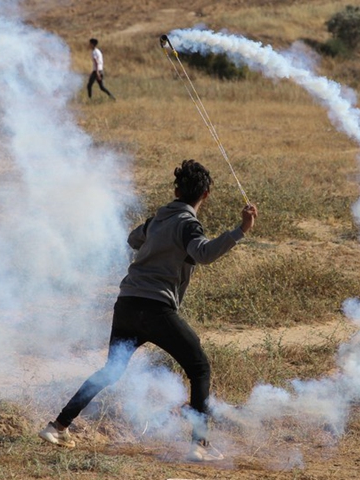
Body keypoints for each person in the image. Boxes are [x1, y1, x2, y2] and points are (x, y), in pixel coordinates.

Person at [39, 159, 258, 462]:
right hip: (154, 309)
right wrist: (240, 230)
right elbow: (203, 253)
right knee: (199, 368)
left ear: (177, 190)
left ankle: (58, 426)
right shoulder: (188, 224)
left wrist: (155, 236)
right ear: (205, 195)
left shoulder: (160, 219)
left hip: (127, 305)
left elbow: (133, 238)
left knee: (111, 371)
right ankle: (200, 445)